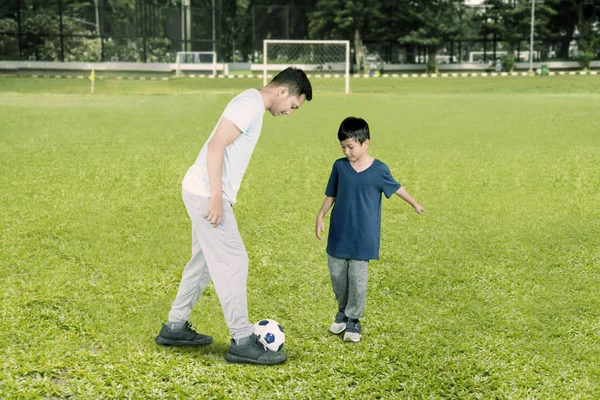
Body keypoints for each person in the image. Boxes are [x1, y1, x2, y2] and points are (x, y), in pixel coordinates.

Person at [156, 67, 313, 365]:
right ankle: (242, 340)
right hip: (205, 193)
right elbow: (217, 145)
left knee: (202, 263)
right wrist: (216, 197)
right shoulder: (249, 104)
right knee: (234, 260)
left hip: (203, 190)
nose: (289, 112)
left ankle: (175, 327)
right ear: (282, 92)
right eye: (293, 105)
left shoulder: (251, 103)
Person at [315, 117, 424, 342]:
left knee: (357, 280)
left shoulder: (379, 169)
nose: (347, 151)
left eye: (351, 147)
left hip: (363, 238)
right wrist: (320, 215)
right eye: (343, 147)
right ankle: (342, 311)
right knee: (337, 276)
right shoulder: (339, 166)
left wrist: (414, 203)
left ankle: (353, 320)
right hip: (339, 234)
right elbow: (331, 194)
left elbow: (397, 187)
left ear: (366, 143)